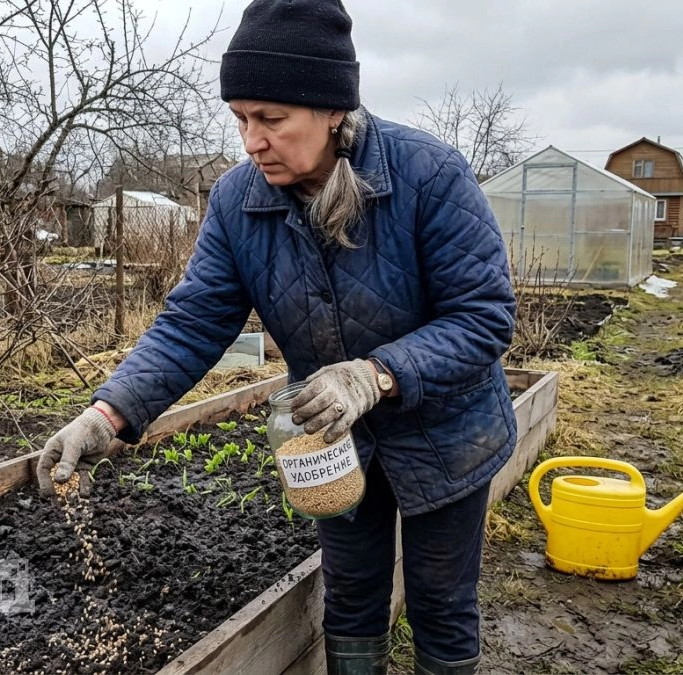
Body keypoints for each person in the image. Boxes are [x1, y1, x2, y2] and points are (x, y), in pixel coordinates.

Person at [36, 0, 517, 672]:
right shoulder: (239, 202)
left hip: (449, 432)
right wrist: (107, 414)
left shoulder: (429, 176)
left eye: (271, 119)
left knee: (441, 601)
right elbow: (193, 320)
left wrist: (373, 374)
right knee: (350, 598)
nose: (251, 141)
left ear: (333, 110)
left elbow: (483, 316)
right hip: (330, 439)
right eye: (240, 118)